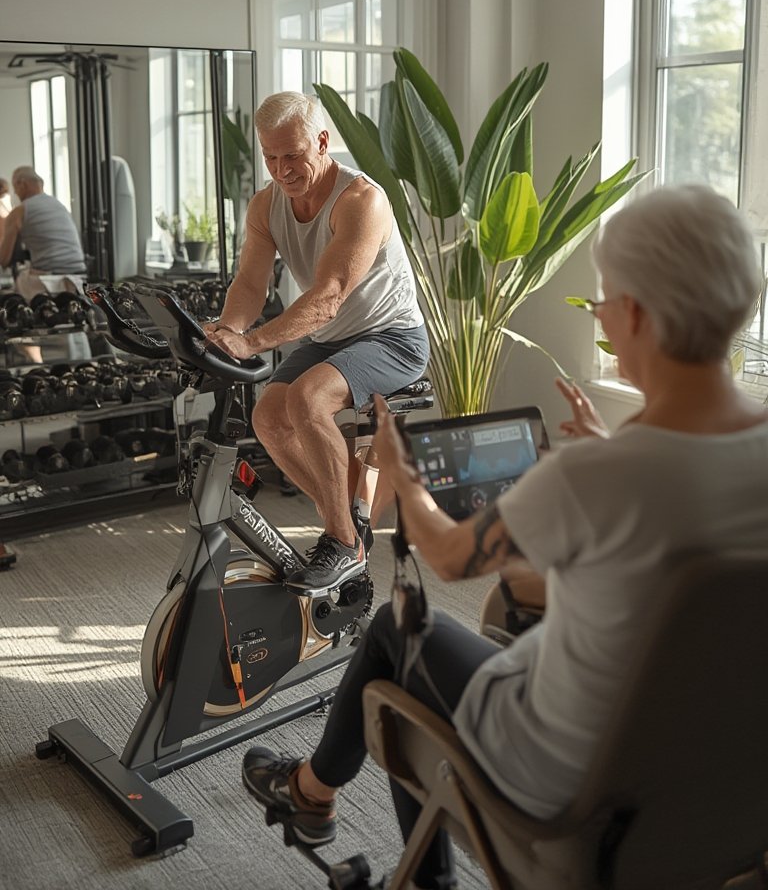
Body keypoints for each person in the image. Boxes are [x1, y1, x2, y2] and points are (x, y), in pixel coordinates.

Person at [239, 185, 768, 889]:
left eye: (604, 302)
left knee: (401, 632)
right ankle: (319, 798)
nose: (603, 316)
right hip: (725, 778)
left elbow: (452, 558)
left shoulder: (595, 474)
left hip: (570, 787)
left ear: (636, 315)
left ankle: (332, 810)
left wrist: (404, 478)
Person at [205, 92, 428, 593]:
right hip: (332, 340)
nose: (280, 169)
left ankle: (344, 542)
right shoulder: (266, 204)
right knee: (268, 416)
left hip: (392, 337)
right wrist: (229, 331)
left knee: (308, 399)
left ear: (322, 141)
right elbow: (249, 284)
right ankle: (347, 522)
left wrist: (254, 342)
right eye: (271, 157)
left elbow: (328, 298)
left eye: (292, 155)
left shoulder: (360, 200)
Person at [0, 166, 86, 299]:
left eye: (14, 188)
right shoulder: (59, 205)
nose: (15, 193)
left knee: (17, 282)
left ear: (22, 184)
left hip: (50, 279)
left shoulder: (19, 211)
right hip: (79, 274)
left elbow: (4, 259)